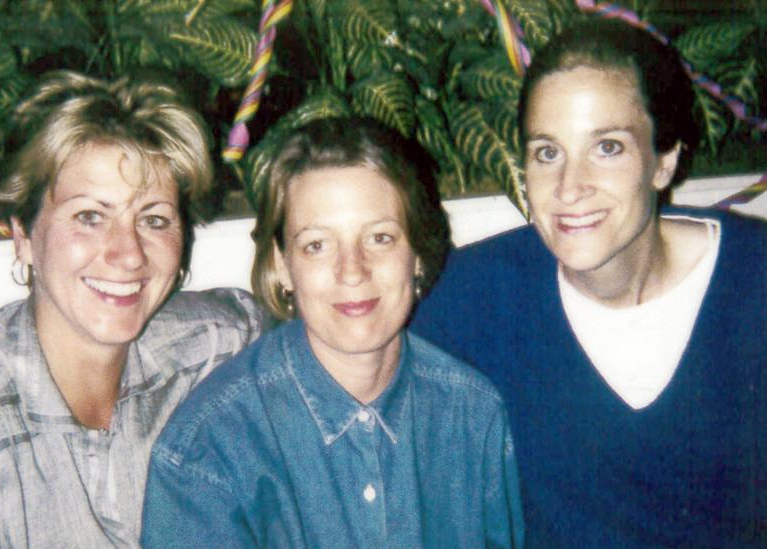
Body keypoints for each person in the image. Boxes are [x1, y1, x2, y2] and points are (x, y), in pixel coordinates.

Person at [411, 17, 767, 548]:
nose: (570, 188)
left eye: (608, 148)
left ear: (663, 160)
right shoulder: (477, 295)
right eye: (547, 153)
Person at [0, 70, 266, 547]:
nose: (129, 254)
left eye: (154, 219)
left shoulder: (216, 346)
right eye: (90, 217)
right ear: (23, 236)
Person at [140, 117, 525, 548]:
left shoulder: (473, 416)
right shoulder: (209, 449)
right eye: (317, 245)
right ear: (283, 265)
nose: (352, 271)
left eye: (380, 238)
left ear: (416, 255)